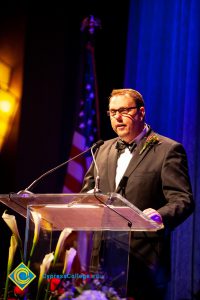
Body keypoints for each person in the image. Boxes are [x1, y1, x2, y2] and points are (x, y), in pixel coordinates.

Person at [81, 88, 194, 300]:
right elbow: (87, 193)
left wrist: (160, 215)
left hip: (144, 261)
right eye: (112, 112)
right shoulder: (102, 149)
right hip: (102, 259)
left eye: (124, 110)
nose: (117, 117)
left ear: (141, 112)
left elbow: (183, 200)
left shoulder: (167, 150)